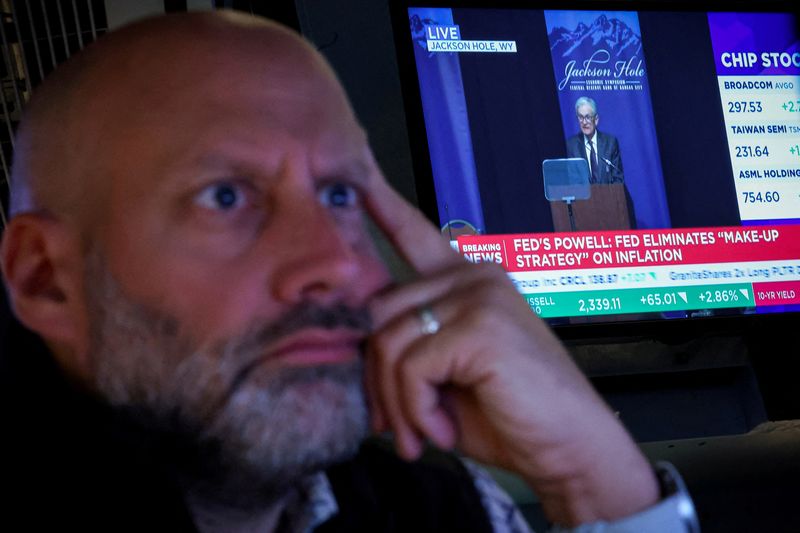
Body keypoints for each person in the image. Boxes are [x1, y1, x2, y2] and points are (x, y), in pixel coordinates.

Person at [0, 11, 693, 532]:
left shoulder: (444, 507)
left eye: (339, 195)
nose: (335, 262)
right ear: (44, 278)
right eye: (226, 196)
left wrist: (593, 472)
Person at [566, 97, 624, 184]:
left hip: (609, 196)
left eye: (588, 117)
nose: (584, 122)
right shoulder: (571, 145)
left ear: (596, 119)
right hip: (583, 197)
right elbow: (571, 180)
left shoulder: (610, 143)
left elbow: (618, 178)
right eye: (580, 117)